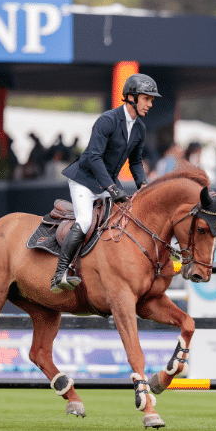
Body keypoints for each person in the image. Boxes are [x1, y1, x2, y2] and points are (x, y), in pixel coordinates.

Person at [53, 73, 159, 292]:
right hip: (84, 181)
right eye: (146, 98)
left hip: (106, 183)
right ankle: (60, 273)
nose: (150, 104)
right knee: (84, 222)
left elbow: (136, 161)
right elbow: (93, 157)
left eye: (151, 99)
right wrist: (112, 188)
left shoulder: (140, 128)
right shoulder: (108, 120)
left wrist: (144, 185)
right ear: (131, 97)